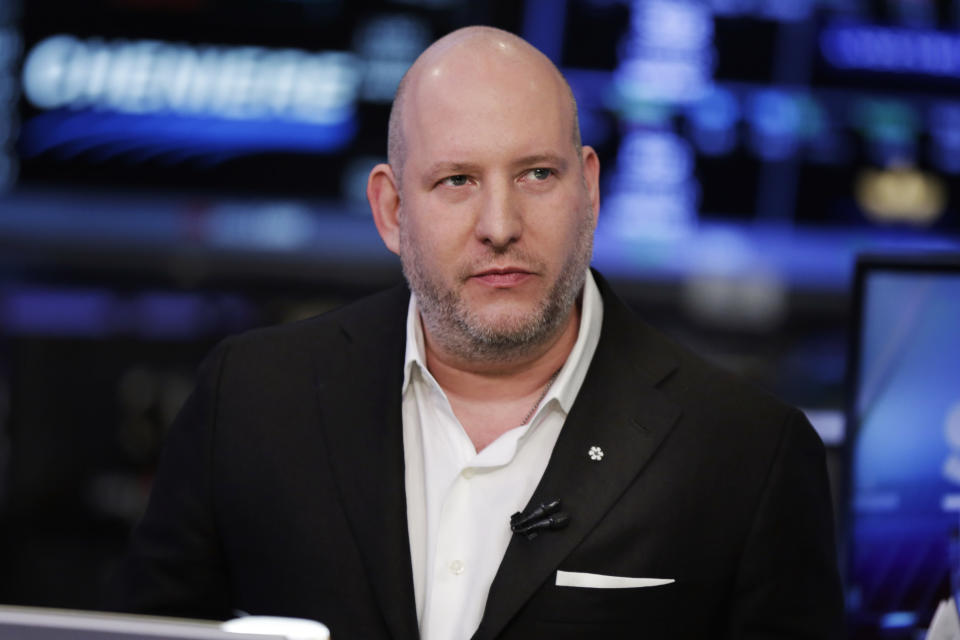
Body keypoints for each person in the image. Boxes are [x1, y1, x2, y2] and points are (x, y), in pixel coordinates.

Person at [120, 26, 845, 639]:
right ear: (392, 210)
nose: (500, 226)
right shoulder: (249, 399)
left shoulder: (749, 455)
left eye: (535, 174)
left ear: (588, 191)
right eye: (457, 181)